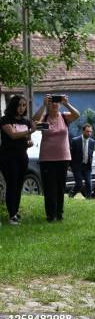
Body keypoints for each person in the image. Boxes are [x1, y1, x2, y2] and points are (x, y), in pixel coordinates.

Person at [32, 94, 80, 222]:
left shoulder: (64, 117)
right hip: (47, 159)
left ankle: (59, 214)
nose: (54, 104)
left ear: (59, 104)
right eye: (52, 102)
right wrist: (43, 105)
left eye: (57, 102)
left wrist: (66, 103)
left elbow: (77, 115)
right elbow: (34, 121)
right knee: (49, 188)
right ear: (49, 104)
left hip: (63, 158)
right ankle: (50, 215)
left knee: (60, 187)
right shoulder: (45, 118)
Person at [0, 95, 37, 225]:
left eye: (23, 105)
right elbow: (13, 135)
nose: (21, 108)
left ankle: (15, 211)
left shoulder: (26, 122)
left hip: (22, 157)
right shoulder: (5, 120)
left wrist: (29, 142)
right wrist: (30, 131)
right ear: (13, 106)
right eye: (19, 105)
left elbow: (26, 140)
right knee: (12, 185)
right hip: (8, 158)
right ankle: (12, 215)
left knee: (19, 185)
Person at [69, 124, 95, 199]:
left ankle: (89, 199)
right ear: (83, 131)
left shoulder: (92, 142)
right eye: (87, 131)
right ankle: (71, 195)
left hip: (87, 166)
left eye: (90, 132)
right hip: (77, 166)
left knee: (89, 184)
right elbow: (71, 154)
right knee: (79, 184)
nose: (89, 133)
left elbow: (91, 154)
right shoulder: (75, 141)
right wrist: (70, 166)